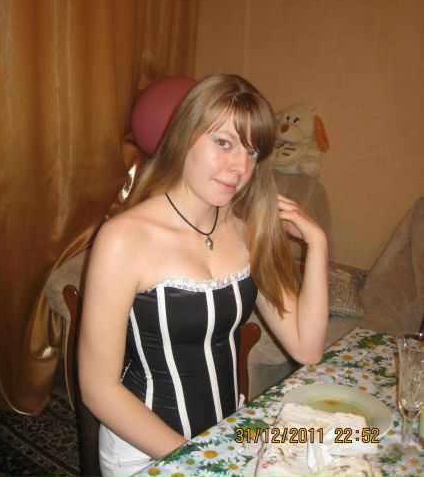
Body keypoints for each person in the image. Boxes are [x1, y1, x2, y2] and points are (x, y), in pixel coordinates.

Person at [78, 73, 329, 477]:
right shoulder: (124, 239)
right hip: (147, 451)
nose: (240, 167)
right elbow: (98, 388)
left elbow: (307, 348)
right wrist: (201, 460)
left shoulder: (247, 230)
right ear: (185, 136)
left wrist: (317, 245)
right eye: (224, 142)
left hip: (226, 435)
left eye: (252, 151)